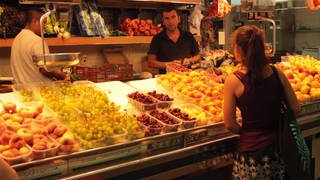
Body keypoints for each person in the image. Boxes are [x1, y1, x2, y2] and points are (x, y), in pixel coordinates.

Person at [223, 25, 300, 179]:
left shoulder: (233, 80)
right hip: (277, 150)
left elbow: (230, 124)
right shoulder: (277, 73)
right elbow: (296, 108)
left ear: (238, 49)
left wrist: (248, 132)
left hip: (251, 154)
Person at [10, 7, 66, 84]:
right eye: (44, 22)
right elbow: (45, 70)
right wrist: (62, 75)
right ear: (35, 21)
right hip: (38, 91)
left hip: (21, 90)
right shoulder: (37, 41)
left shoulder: (17, 38)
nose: (45, 26)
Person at [148, 6, 200, 74]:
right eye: (167, 18)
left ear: (179, 19)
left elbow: (198, 57)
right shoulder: (157, 39)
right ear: (163, 21)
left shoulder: (188, 36)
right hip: (166, 79)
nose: (171, 21)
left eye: (173, 17)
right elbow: (151, 62)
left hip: (187, 77)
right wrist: (169, 64)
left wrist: (189, 60)